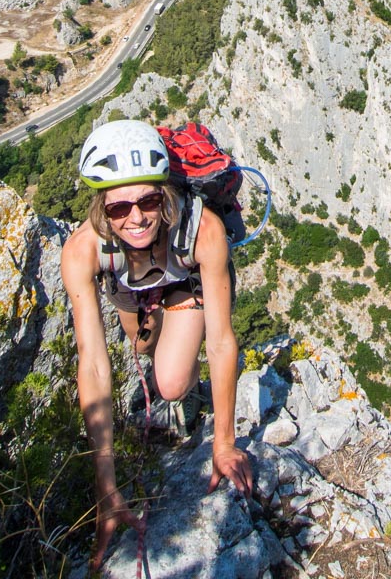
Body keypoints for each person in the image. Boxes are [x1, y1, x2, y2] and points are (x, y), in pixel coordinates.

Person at [61, 119, 254, 567]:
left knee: (168, 382)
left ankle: (187, 395)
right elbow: (92, 364)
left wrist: (223, 444)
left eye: (148, 200)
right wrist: (105, 488)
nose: (136, 217)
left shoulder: (201, 230)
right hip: (130, 282)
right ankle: (165, 354)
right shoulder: (82, 251)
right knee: (142, 346)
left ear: (164, 193)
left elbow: (223, 342)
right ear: (100, 210)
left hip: (184, 277)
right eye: (118, 209)